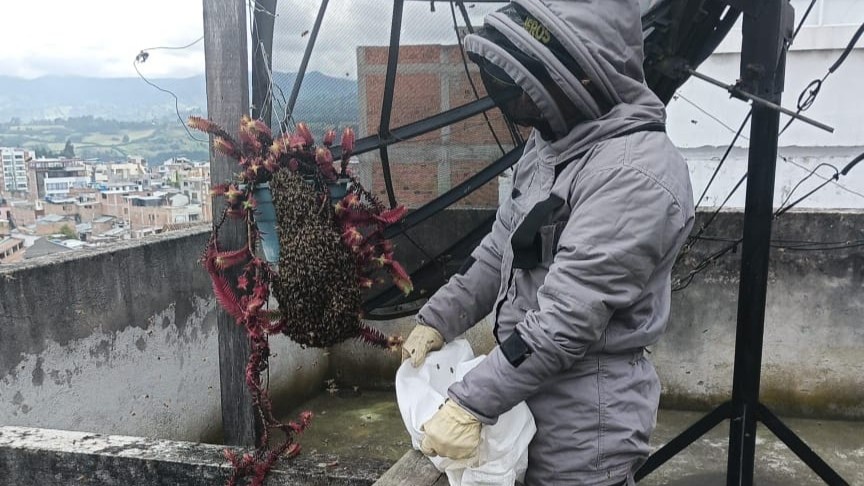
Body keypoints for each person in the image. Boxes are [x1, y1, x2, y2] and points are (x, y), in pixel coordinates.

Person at [400, 1, 695, 485]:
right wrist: (438, 318)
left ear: (586, 74)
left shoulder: (635, 173)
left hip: (585, 433)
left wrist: (470, 402)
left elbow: (567, 320)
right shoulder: (550, 148)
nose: (523, 102)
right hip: (522, 403)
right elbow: (501, 250)